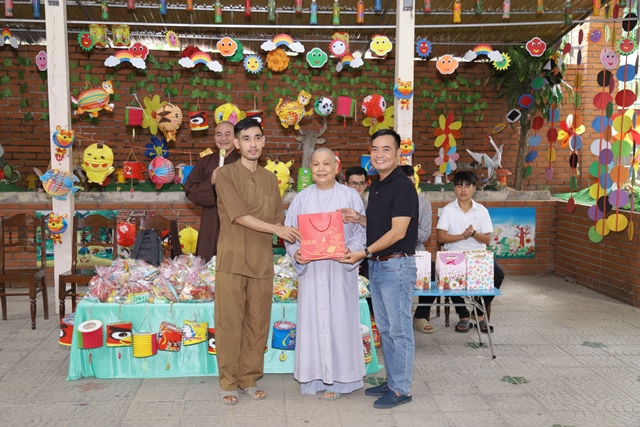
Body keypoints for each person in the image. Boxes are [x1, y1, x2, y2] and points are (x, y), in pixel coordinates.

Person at [215, 118, 300, 405]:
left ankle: (249, 378)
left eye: (257, 138)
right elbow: (239, 215)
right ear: (236, 144)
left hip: (262, 261)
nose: (253, 144)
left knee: (258, 322)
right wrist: (278, 230)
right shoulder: (225, 175)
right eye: (246, 138)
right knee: (229, 322)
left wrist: (302, 243)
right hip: (233, 259)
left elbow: (279, 220)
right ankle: (228, 381)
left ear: (263, 141)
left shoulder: (269, 179)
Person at [340, 129, 418, 409]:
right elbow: (382, 224)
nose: (379, 154)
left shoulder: (403, 186)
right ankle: (393, 380)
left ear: (398, 153)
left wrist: (364, 252)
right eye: (375, 149)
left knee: (400, 330)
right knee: (385, 328)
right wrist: (359, 218)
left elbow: (398, 232)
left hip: (396, 265)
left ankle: (402, 389)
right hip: (379, 265)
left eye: (386, 149)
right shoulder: (378, 185)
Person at [284, 148, 366, 400]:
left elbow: (362, 232)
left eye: (326, 164)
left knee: (341, 323)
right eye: (316, 164)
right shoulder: (301, 199)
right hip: (311, 272)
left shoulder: (350, 196)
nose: (321, 169)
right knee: (312, 324)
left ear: (336, 167)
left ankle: (342, 381)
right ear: (310, 168)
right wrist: (296, 253)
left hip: (340, 270)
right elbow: (290, 233)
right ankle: (313, 378)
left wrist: (351, 251)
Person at [436, 170, 505, 333]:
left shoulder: (481, 210)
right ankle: (463, 314)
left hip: (478, 256)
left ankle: (478, 312)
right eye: (459, 186)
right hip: (454, 256)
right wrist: (462, 236)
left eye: (467, 186)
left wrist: (473, 234)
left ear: (474, 188)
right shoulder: (448, 210)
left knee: (499, 274)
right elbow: (441, 237)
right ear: (454, 188)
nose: (463, 190)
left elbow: (487, 239)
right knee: (447, 275)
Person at [184, 121, 240, 262]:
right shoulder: (205, 162)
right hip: (211, 219)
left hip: (236, 220)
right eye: (219, 134)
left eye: (228, 134)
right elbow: (190, 189)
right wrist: (211, 181)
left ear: (235, 138)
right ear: (214, 138)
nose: (223, 138)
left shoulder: (243, 162)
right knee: (207, 262)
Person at [399, 165, 436, 334]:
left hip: (417, 252)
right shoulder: (390, 200)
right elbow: (386, 232)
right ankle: (399, 315)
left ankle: (420, 315)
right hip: (394, 252)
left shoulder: (424, 203)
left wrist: (402, 228)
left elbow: (424, 235)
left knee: (433, 270)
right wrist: (413, 228)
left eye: (411, 182)